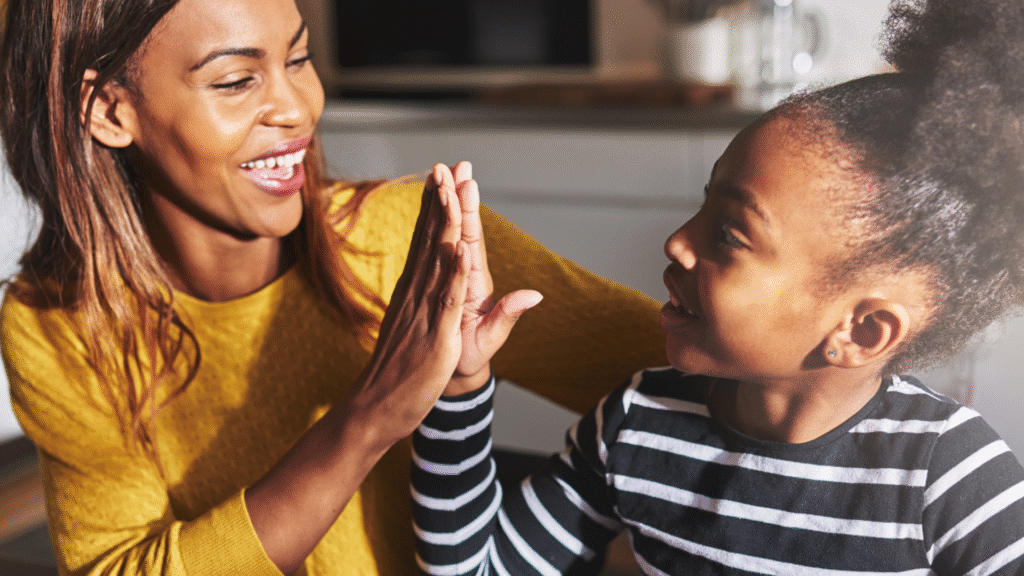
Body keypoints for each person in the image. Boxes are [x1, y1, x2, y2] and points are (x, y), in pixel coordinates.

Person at [0, 0, 667, 574]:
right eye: (236, 81)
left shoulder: (412, 236)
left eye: (298, 59)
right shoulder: (56, 324)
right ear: (108, 109)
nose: (296, 108)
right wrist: (371, 417)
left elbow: (708, 375)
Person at [410, 0, 1024, 573]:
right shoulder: (637, 422)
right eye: (702, 206)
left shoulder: (953, 480)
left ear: (860, 331)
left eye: (729, 234)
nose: (678, 240)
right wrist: (459, 386)